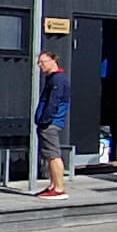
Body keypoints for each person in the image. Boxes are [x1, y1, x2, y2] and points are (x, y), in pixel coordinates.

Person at [34, 50, 70, 200]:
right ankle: (53, 185)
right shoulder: (53, 79)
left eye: (42, 62)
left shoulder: (58, 80)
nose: (40, 65)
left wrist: (44, 120)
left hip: (50, 123)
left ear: (52, 61)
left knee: (53, 155)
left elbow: (53, 102)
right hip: (49, 123)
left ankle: (59, 188)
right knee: (49, 156)